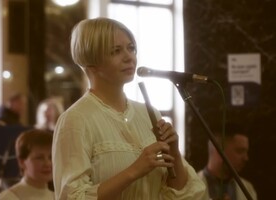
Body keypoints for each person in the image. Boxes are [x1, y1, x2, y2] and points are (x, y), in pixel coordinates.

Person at [52, 17, 206, 200]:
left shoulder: (149, 113)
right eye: (116, 51)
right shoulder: (76, 119)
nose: (129, 57)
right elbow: (72, 197)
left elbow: (182, 193)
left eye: (131, 48)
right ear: (91, 61)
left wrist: (174, 153)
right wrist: (135, 170)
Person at [198, 123, 257, 200]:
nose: (246, 158)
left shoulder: (247, 189)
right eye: (240, 151)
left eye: (246, 152)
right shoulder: (188, 187)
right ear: (219, 150)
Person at [0, 129, 54, 200]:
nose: (48, 163)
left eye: (50, 157)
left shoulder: (57, 196)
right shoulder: (7, 198)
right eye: (39, 158)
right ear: (22, 162)